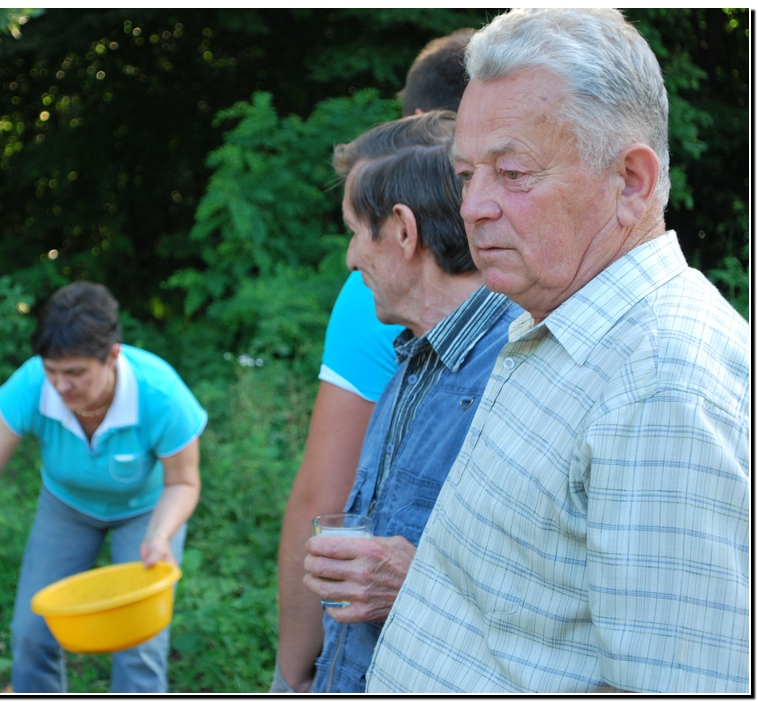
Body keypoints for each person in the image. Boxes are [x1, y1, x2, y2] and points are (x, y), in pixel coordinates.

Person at [367, 8, 750, 694]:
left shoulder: (664, 383)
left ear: (629, 181)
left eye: (511, 172)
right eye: (464, 175)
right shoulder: (548, 316)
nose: (473, 207)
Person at [272, 28, 479, 693]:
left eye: (355, 234)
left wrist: (287, 676)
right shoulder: (411, 348)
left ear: (403, 230)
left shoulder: (518, 363)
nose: (349, 260)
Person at [0, 281, 207, 693]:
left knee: (139, 644)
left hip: (147, 513)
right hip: (67, 508)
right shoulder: (30, 387)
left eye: (75, 373)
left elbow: (183, 482)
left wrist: (160, 534)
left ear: (112, 356)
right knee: (31, 631)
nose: (60, 386)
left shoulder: (162, 395)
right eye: (51, 371)